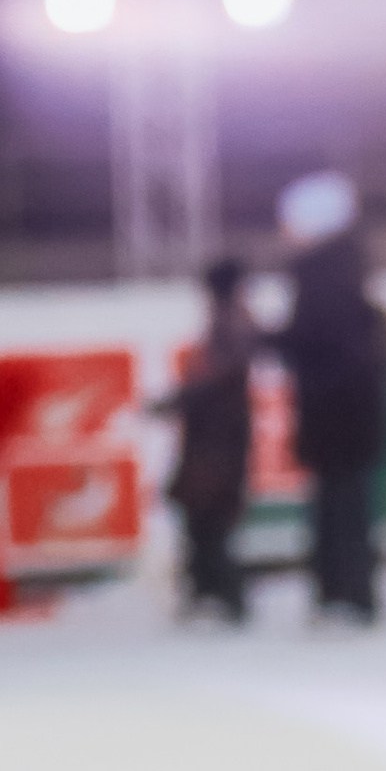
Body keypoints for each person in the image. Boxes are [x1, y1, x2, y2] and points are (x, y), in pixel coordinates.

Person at [271, 172, 386, 624]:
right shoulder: (347, 270)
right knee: (347, 505)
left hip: (335, 415)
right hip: (348, 415)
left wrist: (274, 342)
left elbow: (318, 343)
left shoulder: (322, 276)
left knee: (339, 506)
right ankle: (349, 593)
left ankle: (345, 594)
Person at [156, 255, 257, 622]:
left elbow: (213, 380)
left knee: (209, 520)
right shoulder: (233, 319)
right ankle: (211, 592)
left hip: (217, 441)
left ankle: (219, 594)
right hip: (217, 438)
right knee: (207, 519)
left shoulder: (230, 322)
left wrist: (174, 401)